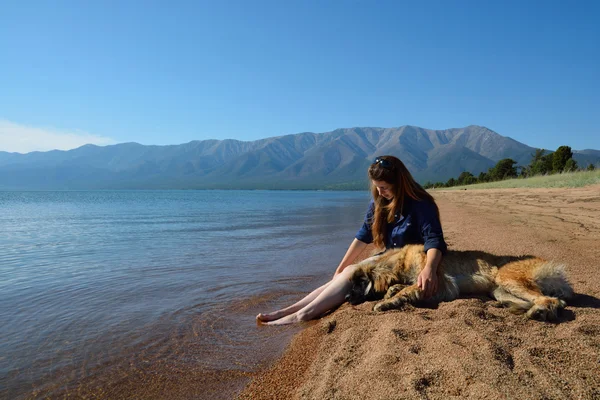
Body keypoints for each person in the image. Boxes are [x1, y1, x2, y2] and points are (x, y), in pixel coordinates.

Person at [256, 155, 447, 325]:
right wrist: (340, 267)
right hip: (389, 259)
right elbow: (363, 236)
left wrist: (429, 268)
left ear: (400, 183)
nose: (380, 193)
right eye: (376, 187)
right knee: (345, 273)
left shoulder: (421, 204)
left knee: (351, 273)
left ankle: (303, 315)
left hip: (408, 263)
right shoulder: (378, 203)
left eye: (384, 188)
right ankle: (289, 310)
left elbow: (434, 240)